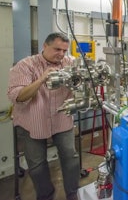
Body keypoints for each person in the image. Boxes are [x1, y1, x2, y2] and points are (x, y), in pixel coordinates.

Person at [7, 32, 79, 200]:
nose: (61, 54)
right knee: (37, 165)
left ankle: (73, 194)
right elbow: (17, 96)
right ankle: (46, 195)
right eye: (57, 49)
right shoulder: (25, 65)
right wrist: (41, 79)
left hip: (61, 120)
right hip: (34, 122)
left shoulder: (70, 63)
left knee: (71, 158)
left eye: (64, 51)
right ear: (45, 46)